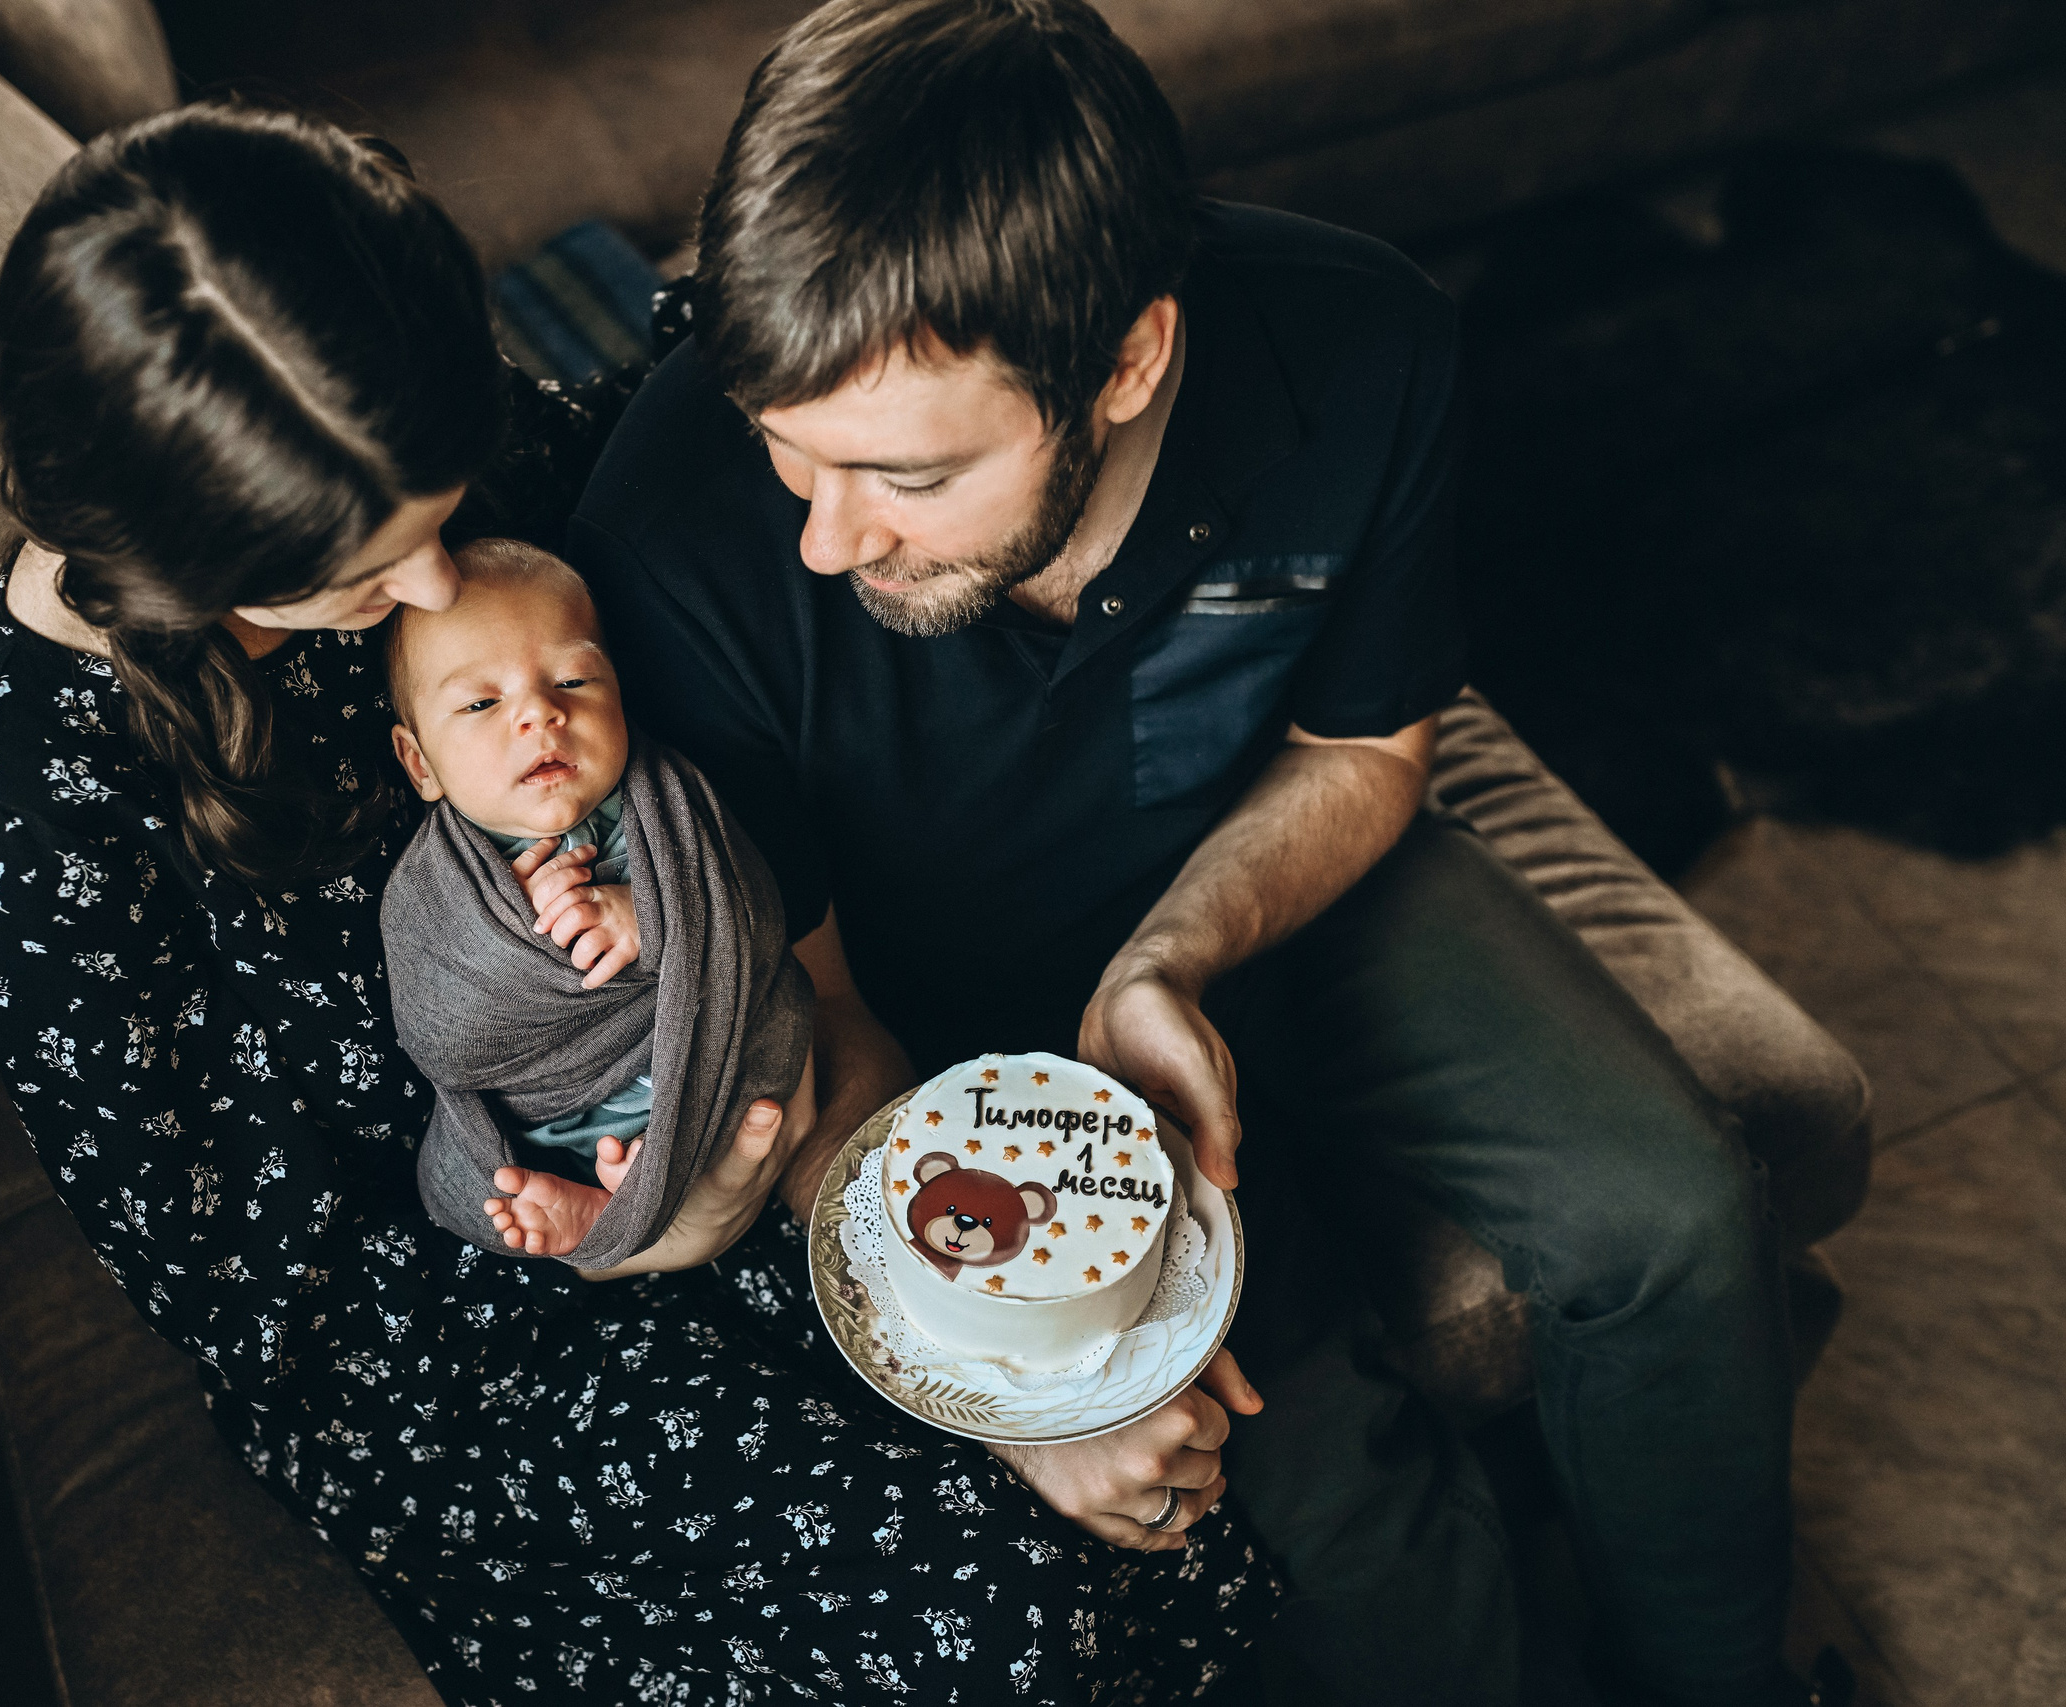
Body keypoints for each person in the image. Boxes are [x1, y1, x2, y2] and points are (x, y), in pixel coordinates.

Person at [0, 100, 1278, 1706]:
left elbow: (688, 443)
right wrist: (647, 1233)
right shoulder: (36, 836)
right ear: (172, 557)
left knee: (1133, 1466)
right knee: (989, 1611)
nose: (433, 594)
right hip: (487, 1328)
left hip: (735, 1077)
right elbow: (280, 1317)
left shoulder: (443, 454)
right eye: (366, 575)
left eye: (439, 519)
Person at [565, 3, 1824, 1705]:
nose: (824, 534)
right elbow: (801, 1001)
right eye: (788, 453)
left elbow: (1365, 747)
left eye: (907, 477)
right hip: (951, 1018)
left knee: (1673, 1211)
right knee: (1325, 1499)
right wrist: (1025, 1396)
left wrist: (1172, 956)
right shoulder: (677, 526)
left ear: (1129, 362)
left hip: (1283, 876)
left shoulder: (1365, 343)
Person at [377, 536, 817, 1264]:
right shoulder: (435, 881)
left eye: (575, 681)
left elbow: (754, 913)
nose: (540, 714)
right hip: (547, 1116)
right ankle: (599, 1204)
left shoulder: (670, 802)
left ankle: (644, 1186)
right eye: (483, 701)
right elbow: (438, 1031)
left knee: (774, 1043)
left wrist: (655, 917)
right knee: (492, 1191)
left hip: (700, 1077)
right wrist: (511, 941)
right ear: (420, 763)